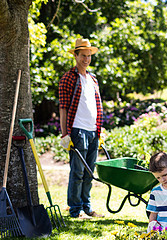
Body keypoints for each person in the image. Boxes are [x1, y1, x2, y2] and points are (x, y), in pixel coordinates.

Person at [59, 38, 104, 219]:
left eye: (89, 56)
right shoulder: (68, 78)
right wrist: (64, 134)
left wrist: (99, 131)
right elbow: (63, 107)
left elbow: (96, 105)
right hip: (77, 130)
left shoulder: (93, 79)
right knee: (77, 172)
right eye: (83, 56)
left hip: (93, 131)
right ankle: (75, 209)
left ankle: (87, 206)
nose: (86, 59)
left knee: (89, 172)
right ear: (76, 55)